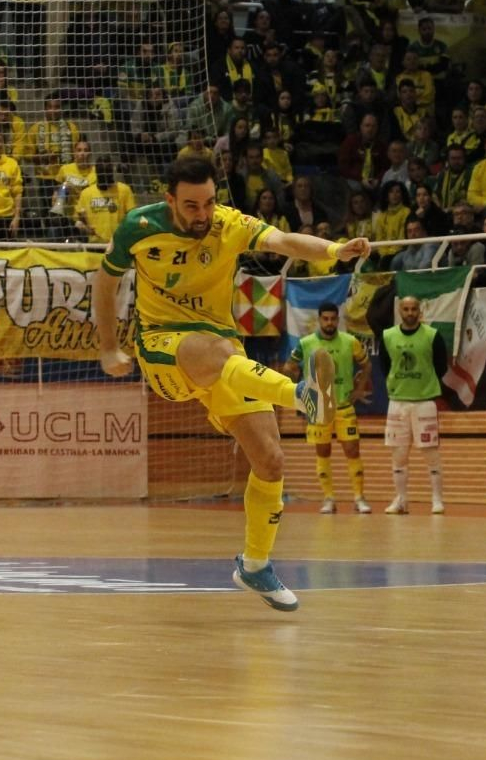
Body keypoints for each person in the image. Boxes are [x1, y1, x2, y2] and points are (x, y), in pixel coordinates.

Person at [94, 157, 371, 612]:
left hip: (224, 353)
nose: (202, 214)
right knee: (215, 351)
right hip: (165, 349)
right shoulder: (137, 227)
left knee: (271, 459)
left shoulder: (227, 224)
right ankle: (303, 396)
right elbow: (105, 283)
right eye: (191, 206)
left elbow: (282, 241)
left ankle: (255, 564)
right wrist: (108, 346)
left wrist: (334, 251)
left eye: (208, 203)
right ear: (169, 200)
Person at [286, 302, 372, 515]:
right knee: (323, 451)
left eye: (333, 319)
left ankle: (359, 498)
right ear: (319, 319)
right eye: (325, 319)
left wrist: (359, 390)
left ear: (338, 320)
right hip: (318, 409)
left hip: (344, 405)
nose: (329, 322)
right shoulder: (306, 343)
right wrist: (298, 390)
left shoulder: (350, 341)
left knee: (352, 450)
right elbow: (289, 366)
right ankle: (328, 499)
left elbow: (366, 365)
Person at [381, 295, 449, 515]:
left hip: (424, 402)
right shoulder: (388, 336)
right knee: (398, 455)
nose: (410, 313)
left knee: (431, 454)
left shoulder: (432, 336)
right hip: (397, 402)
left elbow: (441, 367)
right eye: (406, 309)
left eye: (414, 309)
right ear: (400, 310)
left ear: (420, 311)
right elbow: (385, 366)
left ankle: (437, 500)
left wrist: (423, 384)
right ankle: (401, 500)